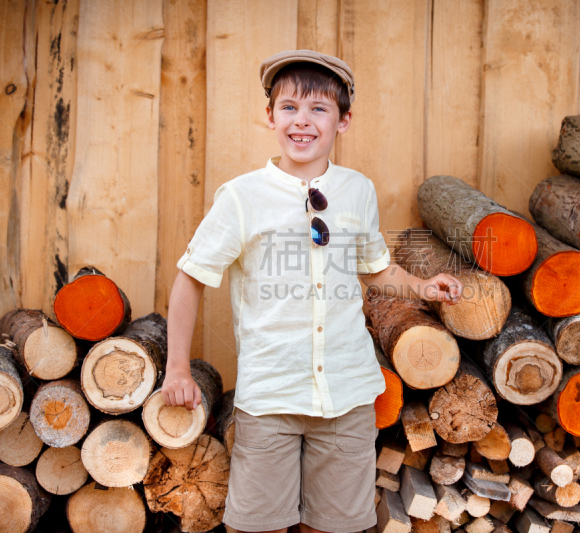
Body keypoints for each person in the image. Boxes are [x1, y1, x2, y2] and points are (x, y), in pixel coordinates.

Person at [162, 50, 463, 533]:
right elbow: (190, 277)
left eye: (319, 109)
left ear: (343, 121)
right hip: (271, 397)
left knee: (335, 527)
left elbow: (376, 269)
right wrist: (177, 366)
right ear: (270, 116)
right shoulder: (242, 197)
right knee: (259, 526)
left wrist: (423, 287)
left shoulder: (358, 190)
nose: (302, 121)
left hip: (347, 396)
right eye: (289, 108)